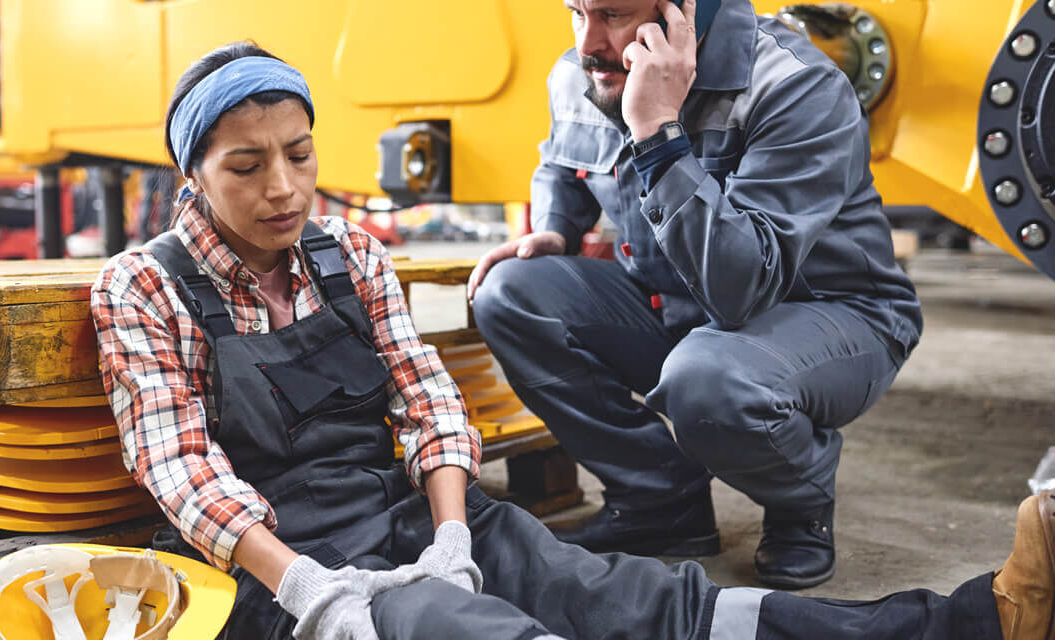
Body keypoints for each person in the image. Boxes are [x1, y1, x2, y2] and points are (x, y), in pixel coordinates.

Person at [91, 36, 1049, 640]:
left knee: (644, 604)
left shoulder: (344, 251)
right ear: (193, 176)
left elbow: (426, 396)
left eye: (300, 158)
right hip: (288, 572)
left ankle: (974, 618)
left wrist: (457, 533)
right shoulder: (144, 288)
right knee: (482, 629)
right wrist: (314, 592)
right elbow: (184, 476)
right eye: (246, 168)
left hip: (424, 523)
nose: (285, 190)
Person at [467, 0, 922, 589]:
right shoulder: (584, 68)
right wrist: (555, 227)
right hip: (678, 304)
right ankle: (661, 501)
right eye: (576, 12)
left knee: (708, 380)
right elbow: (561, 161)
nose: (588, 41)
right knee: (509, 293)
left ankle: (800, 501)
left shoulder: (795, 85)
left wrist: (658, 132)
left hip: (831, 314)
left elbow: (742, 289)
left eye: (612, 13)